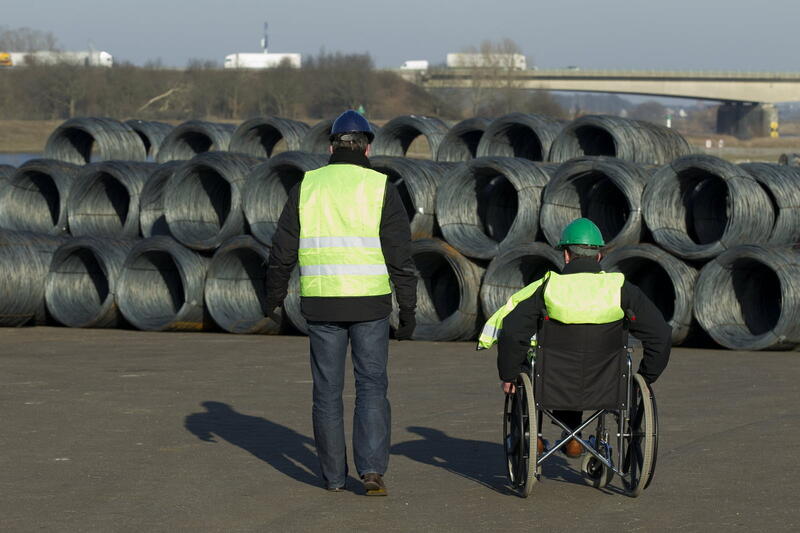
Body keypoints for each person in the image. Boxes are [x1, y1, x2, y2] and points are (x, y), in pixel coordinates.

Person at [263, 110, 417, 496]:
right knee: (371, 387)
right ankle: (371, 472)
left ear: (331, 146)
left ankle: (332, 478)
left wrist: (274, 297)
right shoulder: (382, 188)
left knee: (327, 392)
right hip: (370, 306)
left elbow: (282, 249)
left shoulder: (308, 186)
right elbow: (400, 257)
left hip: (322, 305)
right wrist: (409, 310)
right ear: (367, 147)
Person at [478, 218, 671, 457]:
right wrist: (645, 377)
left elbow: (512, 332)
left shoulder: (548, 288)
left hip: (552, 382)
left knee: (531, 366)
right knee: (584, 364)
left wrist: (508, 374)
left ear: (566, 256)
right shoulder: (620, 289)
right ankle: (573, 435)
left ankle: (532, 435)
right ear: (599, 256)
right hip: (608, 384)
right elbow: (660, 335)